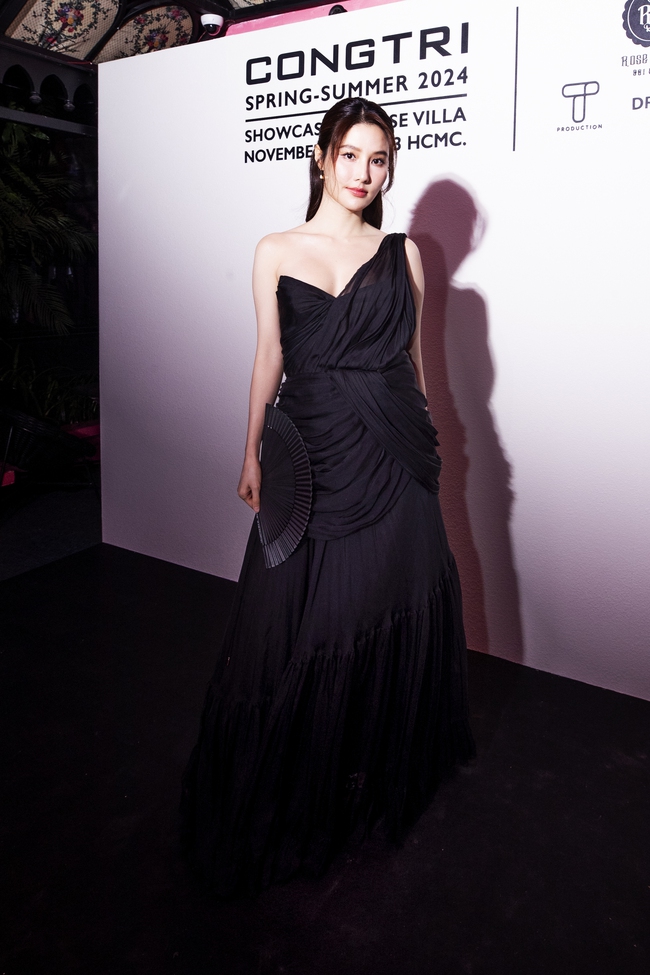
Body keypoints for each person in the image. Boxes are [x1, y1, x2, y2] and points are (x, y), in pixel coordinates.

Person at [181, 97, 475, 897]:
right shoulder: (276, 249)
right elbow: (268, 356)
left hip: (393, 455)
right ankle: (307, 775)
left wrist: (423, 452)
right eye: (351, 155)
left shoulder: (403, 255)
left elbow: (414, 362)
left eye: (379, 160)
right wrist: (249, 448)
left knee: (386, 604)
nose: (364, 173)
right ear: (321, 157)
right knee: (303, 622)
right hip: (310, 454)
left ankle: (369, 764)